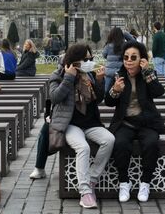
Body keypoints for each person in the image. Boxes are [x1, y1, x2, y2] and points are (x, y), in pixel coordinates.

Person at [49, 43, 113, 209]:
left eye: (90, 58)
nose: (89, 61)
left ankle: (91, 179)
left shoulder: (89, 75)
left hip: (91, 123)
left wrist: (100, 81)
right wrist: (69, 78)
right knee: (83, 148)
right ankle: (85, 192)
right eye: (86, 59)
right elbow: (55, 97)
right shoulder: (59, 74)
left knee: (109, 139)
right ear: (75, 59)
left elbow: (98, 99)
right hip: (70, 124)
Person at [105, 40, 165, 203]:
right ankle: (124, 182)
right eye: (126, 57)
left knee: (152, 143)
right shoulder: (119, 76)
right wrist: (115, 91)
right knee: (120, 144)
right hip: (125, 122)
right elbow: (109, 102)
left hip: (146, 122)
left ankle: (145, 182)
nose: (129, 61)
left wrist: (147, 72)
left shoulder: (146, 73)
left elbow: (159, 92)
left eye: (133, 57)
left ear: (141, 59)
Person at [103, 27, 135, 93]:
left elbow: (104, 55)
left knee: (106, 91)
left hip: (109, 72)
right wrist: (126, 33)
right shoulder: (125, 45)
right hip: (121, 72)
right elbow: (134, 42)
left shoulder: (108, 46)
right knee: (123, 91)